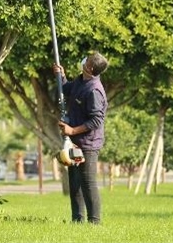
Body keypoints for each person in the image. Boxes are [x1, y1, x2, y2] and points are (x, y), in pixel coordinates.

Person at [53, 51, 109, 225]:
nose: (83, 59)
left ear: (90, 67)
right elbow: (67, 89)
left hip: (88, 143)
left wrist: (72, 130)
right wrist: (61, 77)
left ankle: (94, 223)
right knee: (75, 183)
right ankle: (77, 221)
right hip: (75, 142)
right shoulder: (80, 80)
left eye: (87, 59)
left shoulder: (94, 91)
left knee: (88, 182)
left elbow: (97, 120)